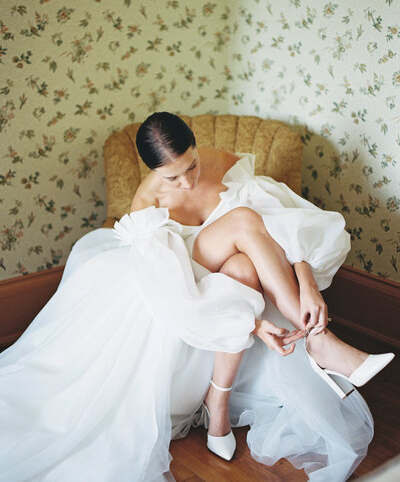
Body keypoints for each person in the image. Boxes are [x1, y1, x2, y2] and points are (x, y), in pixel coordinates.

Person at [0, 112, 393, 481]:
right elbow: (173, 295)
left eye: (191, 166)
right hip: (178, 274)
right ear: (153, 172)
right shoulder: (146, 205)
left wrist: (306, 281)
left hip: (234, 261)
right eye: (172, 178)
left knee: (242, 267)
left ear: (196, 148)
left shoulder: (222, 162)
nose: (187, 183)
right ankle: (319, 341)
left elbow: (284, 218)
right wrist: (254, 325)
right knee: (242, 222)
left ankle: (217, 403)